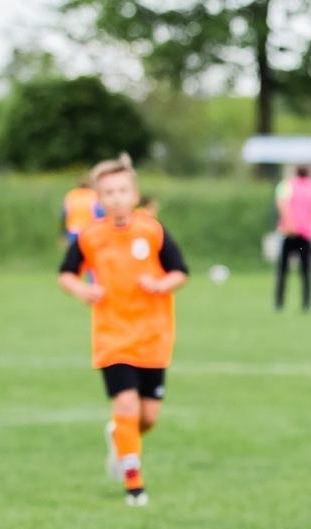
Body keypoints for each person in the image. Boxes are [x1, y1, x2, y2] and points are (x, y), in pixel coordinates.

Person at [58, 154, 189, 507]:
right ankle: (134, 486)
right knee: (126, 404)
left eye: (122, 191)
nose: (116, 198)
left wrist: (161, 285)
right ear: (99, 199)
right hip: (112, 336)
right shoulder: (91, 236)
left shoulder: (152, 230)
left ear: (134, 194)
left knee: (147, 417)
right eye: (109, 192)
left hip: (153, 337)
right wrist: (81, 289)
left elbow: (180, 272)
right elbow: (66, 273)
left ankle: (120, 435)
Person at [275, 166, 311, 311]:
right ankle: (306, 304)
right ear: (309, 174)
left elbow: (281, 204)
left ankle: (279, 303)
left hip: (289, 233)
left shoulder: (286, 185)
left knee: (283, 271)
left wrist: (289, 224)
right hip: (306, 235)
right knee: (306, 272)